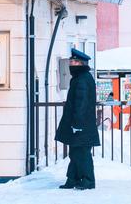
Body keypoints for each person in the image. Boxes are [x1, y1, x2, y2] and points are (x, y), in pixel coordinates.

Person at [55, 48, 100, 190]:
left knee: (82, 153)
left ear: (81, 63)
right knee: (76, 152)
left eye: (74, 62)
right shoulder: (82, 78)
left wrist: (77, 124)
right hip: (82, 124)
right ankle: (72, 179)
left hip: (81, 125)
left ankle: (88, 180)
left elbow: (81, 103)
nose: (71, 64)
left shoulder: (81, 80)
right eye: (71, 61)